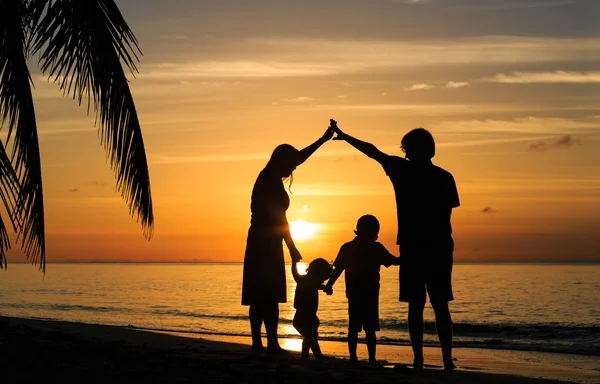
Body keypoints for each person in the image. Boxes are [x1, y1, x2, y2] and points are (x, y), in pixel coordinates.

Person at [330, 120, 460, 370]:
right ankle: (445, 361)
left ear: (409, 151)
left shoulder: (402, 169)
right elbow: (447, 214)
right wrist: (346, 137)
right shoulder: (444, 177)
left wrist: (346, 137)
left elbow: (373, 151)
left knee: (416, 305)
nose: (405, 153)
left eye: (406, 149)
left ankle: (419, 360)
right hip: (439, 246)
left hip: (414, 247)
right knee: (440, 305)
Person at [241, 126, 335, 354]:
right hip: (263, 241)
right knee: (262, 294)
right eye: (291, 164)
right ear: (282, 160)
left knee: (267, 294)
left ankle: (268, 343)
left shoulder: (271, 176)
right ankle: (260, 343)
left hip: (268, 241)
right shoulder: (268, 180)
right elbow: (279, 218)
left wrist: (323, 138)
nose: (294, 168)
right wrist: (292, 247)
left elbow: (299, 158)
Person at [324, 215, 401, 365]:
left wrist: (329, 284)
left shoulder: (350, 247)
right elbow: (393, 261)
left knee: (355, 327)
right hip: (368, 293)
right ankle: (369, 358)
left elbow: (338, 269)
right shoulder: (374, 248)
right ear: (374, 232)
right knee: (368, 328)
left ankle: (356, 357)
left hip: (356, 293)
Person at [291, 258, 333, 359]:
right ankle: (316, 355)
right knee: (311, 336)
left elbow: (295, 273)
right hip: (303, 316)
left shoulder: (304, 280)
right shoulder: (307, 281)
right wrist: (326, 288)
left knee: (310, 336)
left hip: (305, 316)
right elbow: (295, 273)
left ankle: (306, 355)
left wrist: (294, 262)